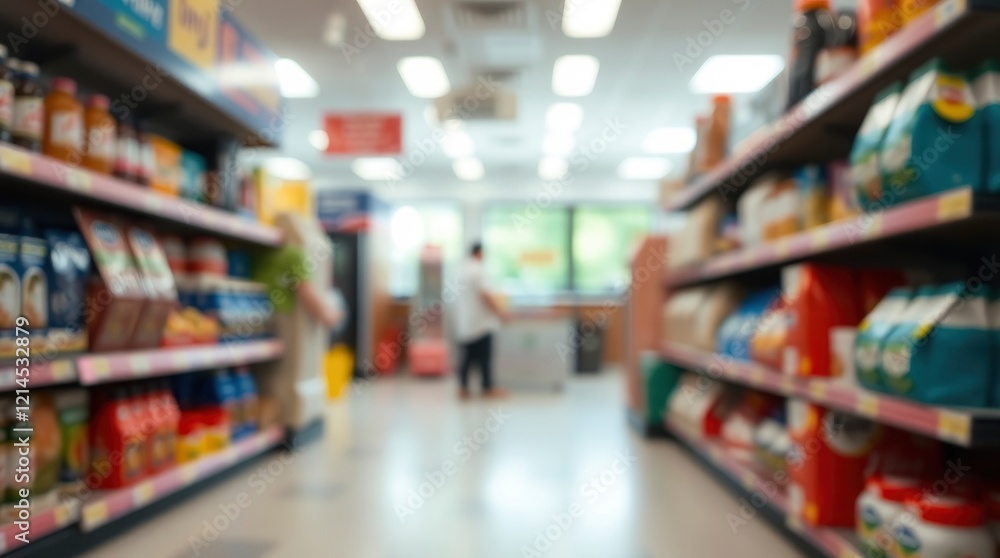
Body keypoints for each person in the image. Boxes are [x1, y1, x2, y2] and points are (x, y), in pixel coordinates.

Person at [456, 242, 509, 399]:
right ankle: (487, 387)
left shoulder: (462, 269)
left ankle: (463, 388)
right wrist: (500, 312)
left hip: (465, 321)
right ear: (479, 253)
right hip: (480, 322)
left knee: (467, 356)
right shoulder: (478, 270)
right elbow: (485, 294)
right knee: (484, 357)